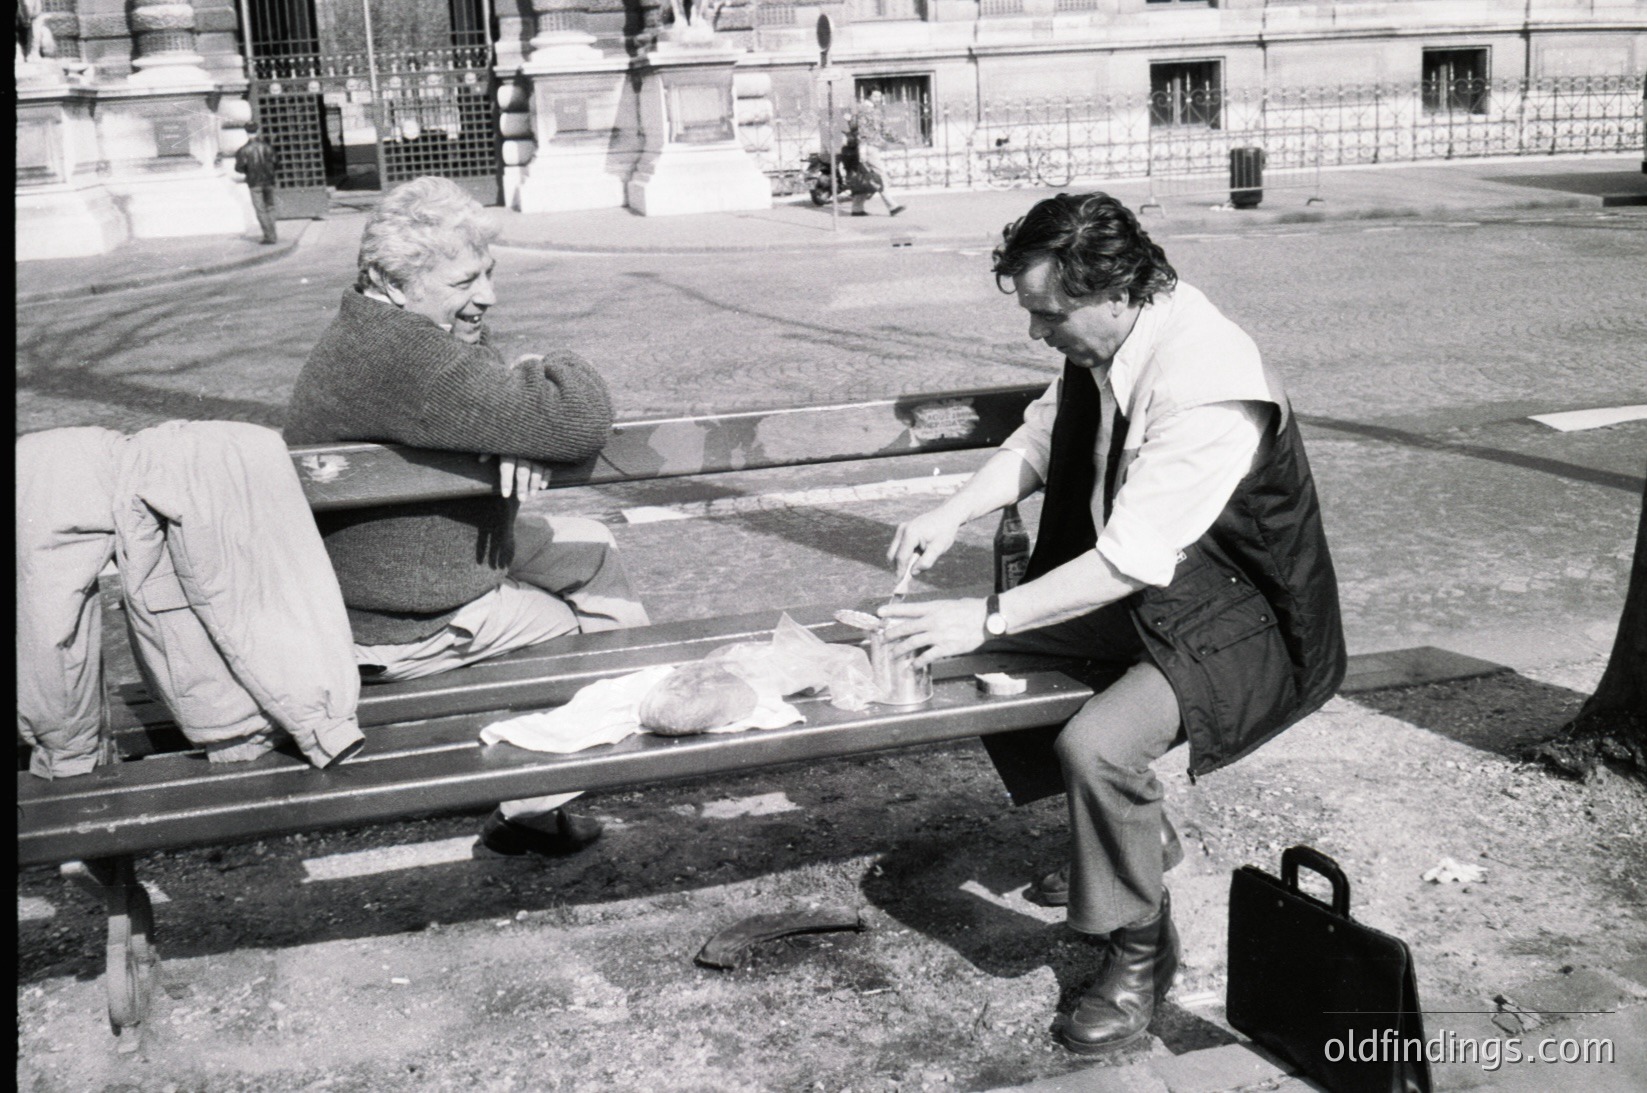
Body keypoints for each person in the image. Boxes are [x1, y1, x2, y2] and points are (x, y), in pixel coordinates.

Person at [880, 192, 1345, 1054]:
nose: (1034, 333)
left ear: (1114, 291)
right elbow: (1038, 443)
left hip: (1239, 618)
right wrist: (953, 511)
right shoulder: (1110, 340)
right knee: (966, 657)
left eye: (1045, 314)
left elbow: (1131, 557)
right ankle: (1135, 833)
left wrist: (983, 612)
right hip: (1150, 594)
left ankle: (1139, 950)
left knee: (1095, 745)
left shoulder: (1205, 379)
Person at [285, 176, 652, 859]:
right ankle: (543, 792)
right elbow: (575, 419)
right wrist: (543, 369)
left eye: (488, 272)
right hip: (403, 619)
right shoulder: (407, 357)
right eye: (462, 282)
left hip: (394, 566)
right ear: (392, 283)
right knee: (591, 625)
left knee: (592, 545)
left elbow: (480, 378)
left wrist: (511, 428)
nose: (486, 295)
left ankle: (542, 790)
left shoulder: (376, 329)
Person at [847, 90, 906, 218]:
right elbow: (861, 131)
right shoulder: (864, 109)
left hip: (872, 146)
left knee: (866, 177)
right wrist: (862, 150)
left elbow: (884, 129)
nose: (878, 98)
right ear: (869, 96)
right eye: (875, 96)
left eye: (880, 96)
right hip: (868, 147)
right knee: (880, 176)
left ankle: (857, 208)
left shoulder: (875, 110)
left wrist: (899, 140)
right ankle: (892, 206)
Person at [232, 122, 280, 245]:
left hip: (254, 183)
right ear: (258, 131)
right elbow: (276, 162)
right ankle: (273, 234)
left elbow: (238, 168)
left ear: (246, 132)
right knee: (270, 207)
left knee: (260, 210)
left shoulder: (243, 150)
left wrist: (248, 170)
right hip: (269, 181)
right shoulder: (267, 146)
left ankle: (269, 237)